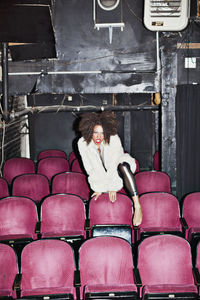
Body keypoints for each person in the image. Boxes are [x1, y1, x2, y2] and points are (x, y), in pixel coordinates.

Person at [77, 111, 142, 226]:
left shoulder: (113, 139)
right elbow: (90, 168)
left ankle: (137, 205)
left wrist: (113, 186)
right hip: (105, 174)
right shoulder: (82, 144)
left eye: (102, 133)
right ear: (89, 131)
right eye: (95, 132)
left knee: (123, 166)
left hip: (120, 166)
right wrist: (99, 187)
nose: (99, 137)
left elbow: (114, 163)